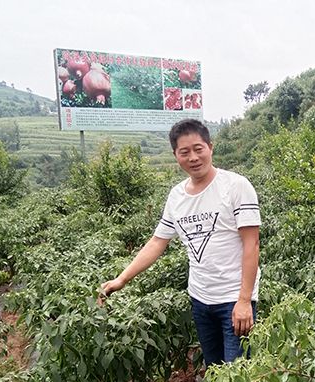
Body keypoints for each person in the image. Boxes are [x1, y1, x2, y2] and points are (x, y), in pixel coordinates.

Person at [98, 119, 260, 367]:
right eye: (184, 152)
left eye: (198, 149)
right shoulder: (177, 196)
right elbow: (157, 242)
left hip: (234, 300)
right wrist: (122, 279)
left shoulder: (236, 186)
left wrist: (244, 300)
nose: (193, 157)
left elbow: (252, 244)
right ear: (176, 156)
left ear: (210, 147)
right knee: (215, 371)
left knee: (238, 379)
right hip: (200, 299)